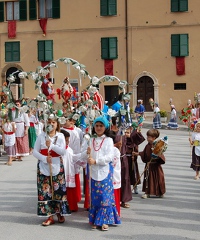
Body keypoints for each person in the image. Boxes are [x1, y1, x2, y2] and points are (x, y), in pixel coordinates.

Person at [33, 115, 71, 226]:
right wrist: (44, 158)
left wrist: (52, 145)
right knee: (46, 192)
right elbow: (35, 152)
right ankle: (49, 215)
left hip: (56, 166)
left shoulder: (60, 136)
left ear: (57, 124)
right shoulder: (41, 136)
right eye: (49, 122)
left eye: (53, 122)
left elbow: (62, 152)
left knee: (58, 190)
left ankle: (59, 213)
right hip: (44, 166)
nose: (51, 124)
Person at [87, 116, 121, 231]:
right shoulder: (91, 140)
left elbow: (109, 157)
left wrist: (96, 161)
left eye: (101, 126)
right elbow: (85, 155)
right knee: (95, 197)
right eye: (96, 126)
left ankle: (105, 220)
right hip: (93, 172)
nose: (98, 128)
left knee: (104, 197)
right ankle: (96, 219)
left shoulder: (108, 140)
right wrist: (87, 154)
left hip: (105, 171)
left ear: (105, 127)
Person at [133, 129, 166, 199]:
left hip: (156, 166)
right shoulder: (147, 145)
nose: (147, 138)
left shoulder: (157, 145)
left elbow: (160, 154)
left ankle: (160, 192)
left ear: (154, 138)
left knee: (158, 179)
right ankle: (147, 192)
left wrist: (156, 155)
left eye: (149, 137)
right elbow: (144, 153)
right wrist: (138, 153)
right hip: (149, 165)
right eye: (147, 137)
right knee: (148, 179)